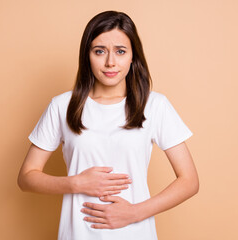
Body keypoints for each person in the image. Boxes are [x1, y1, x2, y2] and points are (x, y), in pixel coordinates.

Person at [18, 10, 199, 240]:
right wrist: (76, 183)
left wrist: (134, 213)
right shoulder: (62, 106)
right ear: (87, 55)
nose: (110, 62)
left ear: (133, 56)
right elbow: (26, 177)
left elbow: (189, 181)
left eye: (120, 51)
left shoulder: (154, 106)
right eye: (99, 51)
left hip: (136, 233)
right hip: (77, 234)